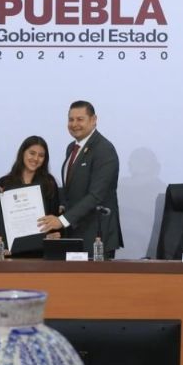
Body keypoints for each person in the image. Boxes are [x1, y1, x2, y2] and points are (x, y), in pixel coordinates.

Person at [38, 100, 122, 256]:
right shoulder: (72, 147)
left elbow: (96, 196)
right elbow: (72, 190)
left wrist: (62, 220)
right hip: (74, 234)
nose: (74, 124)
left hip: (96, 237)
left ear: (93, 120)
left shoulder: (104, 150)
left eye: (80, 119)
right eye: (71, 119)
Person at [0, 136, 62, 255]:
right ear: (22, 153)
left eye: (41, 155)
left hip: (40, 253)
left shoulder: (49, 183)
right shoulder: (4, 183)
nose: (36, 158)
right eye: (32, 153)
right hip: (10, 253)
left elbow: (54, 219)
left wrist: (54, 235)